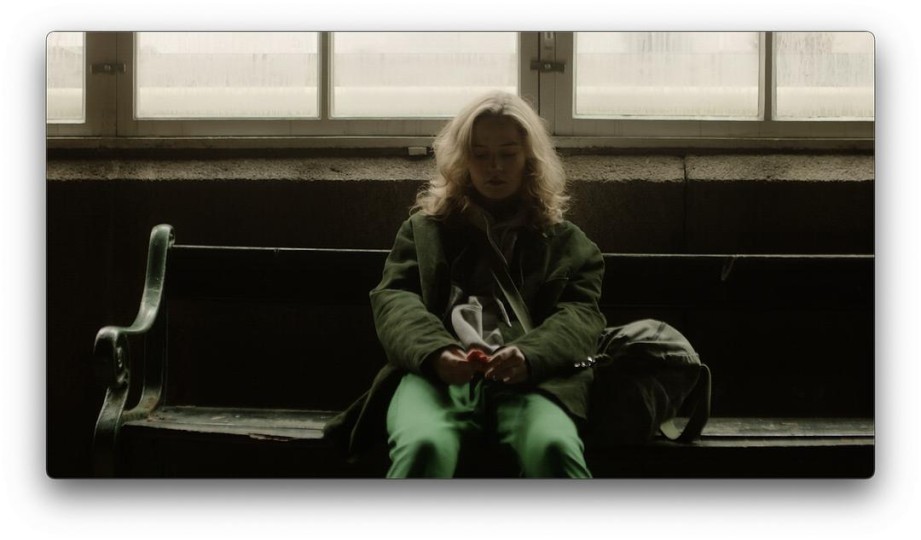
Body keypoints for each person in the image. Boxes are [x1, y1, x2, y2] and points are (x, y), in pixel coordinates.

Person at [327, 90, 606, 478]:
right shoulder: (424, 231)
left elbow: (580, 317)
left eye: (508, 154)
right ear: (462, 160)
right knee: (424, 448)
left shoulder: (567, 243)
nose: (495, 167)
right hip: (436, 379)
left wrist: (528, 356)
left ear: (529, 160)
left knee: (554, 449)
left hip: (532, 382)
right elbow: (395, 300)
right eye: (480, 154)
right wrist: (437, 352)